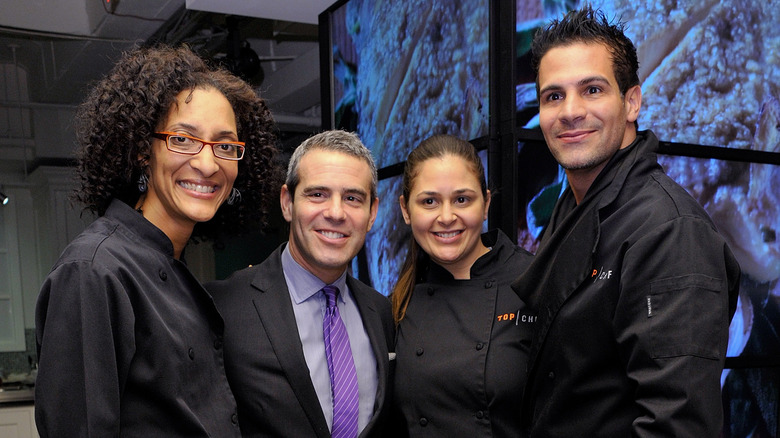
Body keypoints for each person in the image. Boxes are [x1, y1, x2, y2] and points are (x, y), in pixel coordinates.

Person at [510, 6, 741, 437]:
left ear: (632, 101)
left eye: (592, 90)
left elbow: (676, 425)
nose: (570, 112)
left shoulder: (671, 233)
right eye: (553, 96)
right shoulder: (574, 208)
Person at [33, 45, 279, 437]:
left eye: (225, 146)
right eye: (183, 139)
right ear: (142, 151)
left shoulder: (172, 264)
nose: (207, 163)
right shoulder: (94, 271)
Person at [207, 130, 395, 438]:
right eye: (317, 194)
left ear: (372, 213)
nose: (335, 213)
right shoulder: (223, 306)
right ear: (287, 203)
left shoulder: (379, 311)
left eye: (352, 198)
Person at [390, 134, 535, 437]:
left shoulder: (533, 283)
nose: (446, 217)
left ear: (486, 204)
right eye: (429, 201)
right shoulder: (395, 306)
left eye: (462, 199)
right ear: (406, 210)